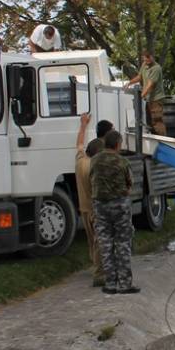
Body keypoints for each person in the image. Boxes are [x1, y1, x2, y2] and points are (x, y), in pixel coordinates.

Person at [90, 130, 139, 294]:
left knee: (105, 244)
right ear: (118, 144)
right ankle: (125, 284)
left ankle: (110, 283)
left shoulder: (94, 160)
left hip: (100, 206)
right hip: (120, 205)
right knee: (122, 243)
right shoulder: (122, 161)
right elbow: (129, 182)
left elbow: (91, 179)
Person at [74, 113, 105, 286]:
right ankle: (99, 271)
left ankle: (94, 265)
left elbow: (79, 144)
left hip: (83, 209)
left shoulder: (80, 161)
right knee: (99, 239)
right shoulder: (94, 167)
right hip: (95, 208)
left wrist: (83, 125)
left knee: (91, 239)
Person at [129, 51, 167, 136]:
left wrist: (141, 96)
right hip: (149, 99)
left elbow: (150, 85)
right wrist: (129, 83)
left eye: (148, 59)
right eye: (145, 60)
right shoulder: (144, 65)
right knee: (149, 121)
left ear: (152, 57)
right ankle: (154, 139)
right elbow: (139, 77)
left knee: (157, 120)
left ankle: (163, 140)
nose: (147, 61)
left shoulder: (156, 68)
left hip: (156, 99)